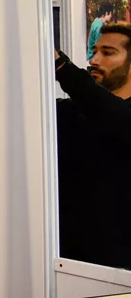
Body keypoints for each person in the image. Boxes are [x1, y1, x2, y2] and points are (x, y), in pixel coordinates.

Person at [55, 24, 131, 269]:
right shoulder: (72, 112)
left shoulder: (120, 115)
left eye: (107, 52)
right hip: (68, 261)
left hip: (119, 265)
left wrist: (61, 65)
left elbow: (113, 114)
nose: (94, 59)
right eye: (94, 51)